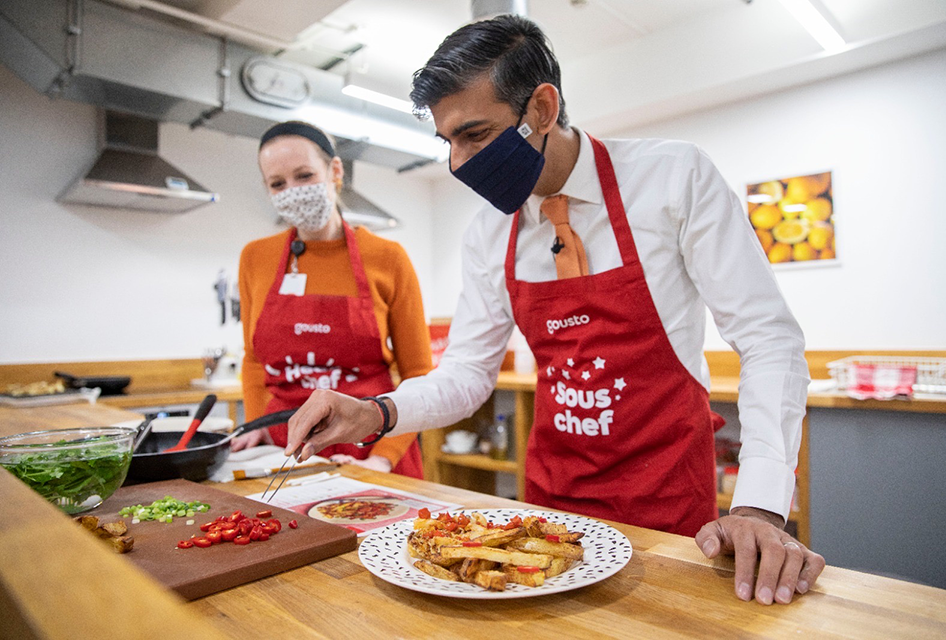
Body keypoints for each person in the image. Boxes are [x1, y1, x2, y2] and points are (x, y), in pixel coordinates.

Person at [283, 16, 826, 603]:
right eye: (448, 143)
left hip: (667, 501)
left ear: (542, 108)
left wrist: (760, 505)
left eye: (476, 135)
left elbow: (768, 339)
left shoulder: (672, 178)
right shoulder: (490, 233)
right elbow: (467, 375)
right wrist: (375, 413)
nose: (459, 164)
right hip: (550, 506)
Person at [233, 120, 432, 478]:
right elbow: (253, 361)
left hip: (371, 449)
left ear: (335, 170)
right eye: (278, 184)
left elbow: (417, 374)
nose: (292, 190)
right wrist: (256, 424)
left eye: (304, 175)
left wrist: (382, 458)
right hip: (286, 453)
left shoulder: (388, 257)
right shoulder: (255, 258)